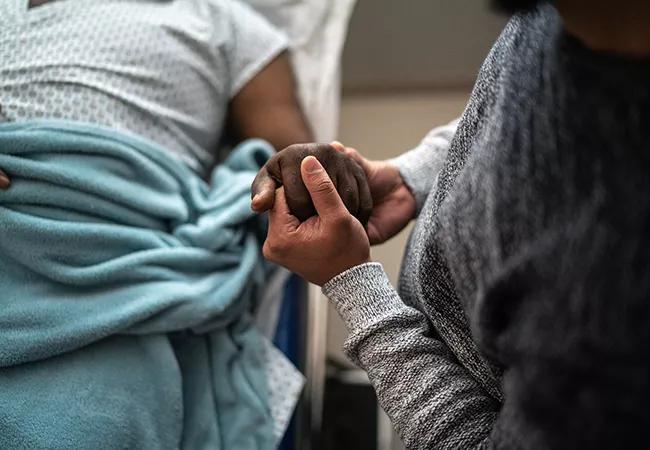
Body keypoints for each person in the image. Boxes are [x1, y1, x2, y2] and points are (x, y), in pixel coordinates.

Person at [255, 0, 650, 447]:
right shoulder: (564, 15)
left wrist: (352, 286)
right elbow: (518, 101)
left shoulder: (618, 300)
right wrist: (412, 177)